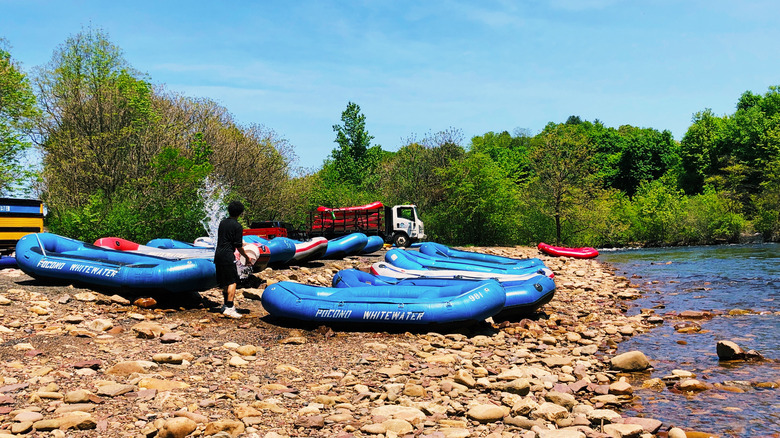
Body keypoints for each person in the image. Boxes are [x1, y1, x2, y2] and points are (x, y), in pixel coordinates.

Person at [214, 200, 253, 318]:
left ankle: (225, 305)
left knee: (225, 281)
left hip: (218, 255)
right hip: (227, 255)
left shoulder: (222, 223)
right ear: (240, 213)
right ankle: (230, 308)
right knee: (232, 281)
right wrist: (246, 257)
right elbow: (238, 245)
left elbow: (226, 239)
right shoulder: (237, 226)